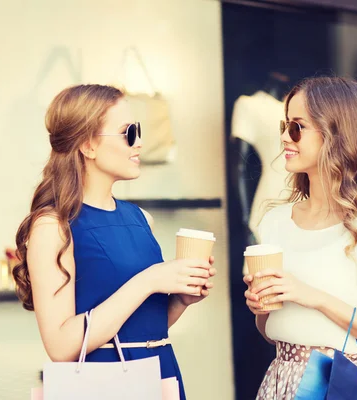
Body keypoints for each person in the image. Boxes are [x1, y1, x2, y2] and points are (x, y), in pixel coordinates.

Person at [13, 84, 214, 400]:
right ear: (88, 145)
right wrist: (149, 281)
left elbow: (144, 328)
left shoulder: (139, 218)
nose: (140, 143)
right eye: (128, 133)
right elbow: (61, 346)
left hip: (160, 373)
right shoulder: (53, 226)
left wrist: (179, 300)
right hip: (104, 384)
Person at [243, 76, 357, 399]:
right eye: (284, 125)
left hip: (341, 383)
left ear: (337, 135)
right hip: (281, 380)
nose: (284, 137)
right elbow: (270, 331)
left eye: (297, 127)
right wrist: (261, 308)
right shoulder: (275, 222)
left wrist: (316, 297)